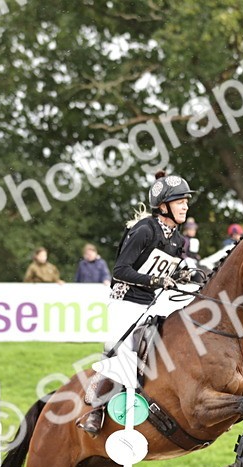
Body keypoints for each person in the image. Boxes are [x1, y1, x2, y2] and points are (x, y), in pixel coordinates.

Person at [75, 170, 206, 436]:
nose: (185, 205)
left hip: (152, 302)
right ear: (164, 206)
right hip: (126, 299)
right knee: (121, 352)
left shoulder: (178, 240)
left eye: (186, 201)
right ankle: (96, 409)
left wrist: (182, 275)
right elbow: (120, 270)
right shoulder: (144, 230)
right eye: (180, 201)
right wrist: (157, 281)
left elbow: (169, 272)